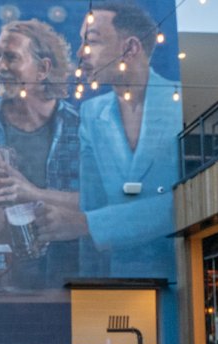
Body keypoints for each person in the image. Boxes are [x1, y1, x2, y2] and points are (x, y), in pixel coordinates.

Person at [38, 1, 181, 278]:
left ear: (130, 48)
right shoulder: (92, 113)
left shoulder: (179, 103)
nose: (80, 53)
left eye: (91, 42)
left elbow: (184, 203)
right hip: (114, 280)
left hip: (179, 278)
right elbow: (92, 202)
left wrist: (88, 224)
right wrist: (88, 284)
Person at [0, 19, 83, 287]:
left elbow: (100, 203)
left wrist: (31, 192)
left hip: (65, 281)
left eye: (11, 57)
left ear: (43, 69)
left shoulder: (81, 127)